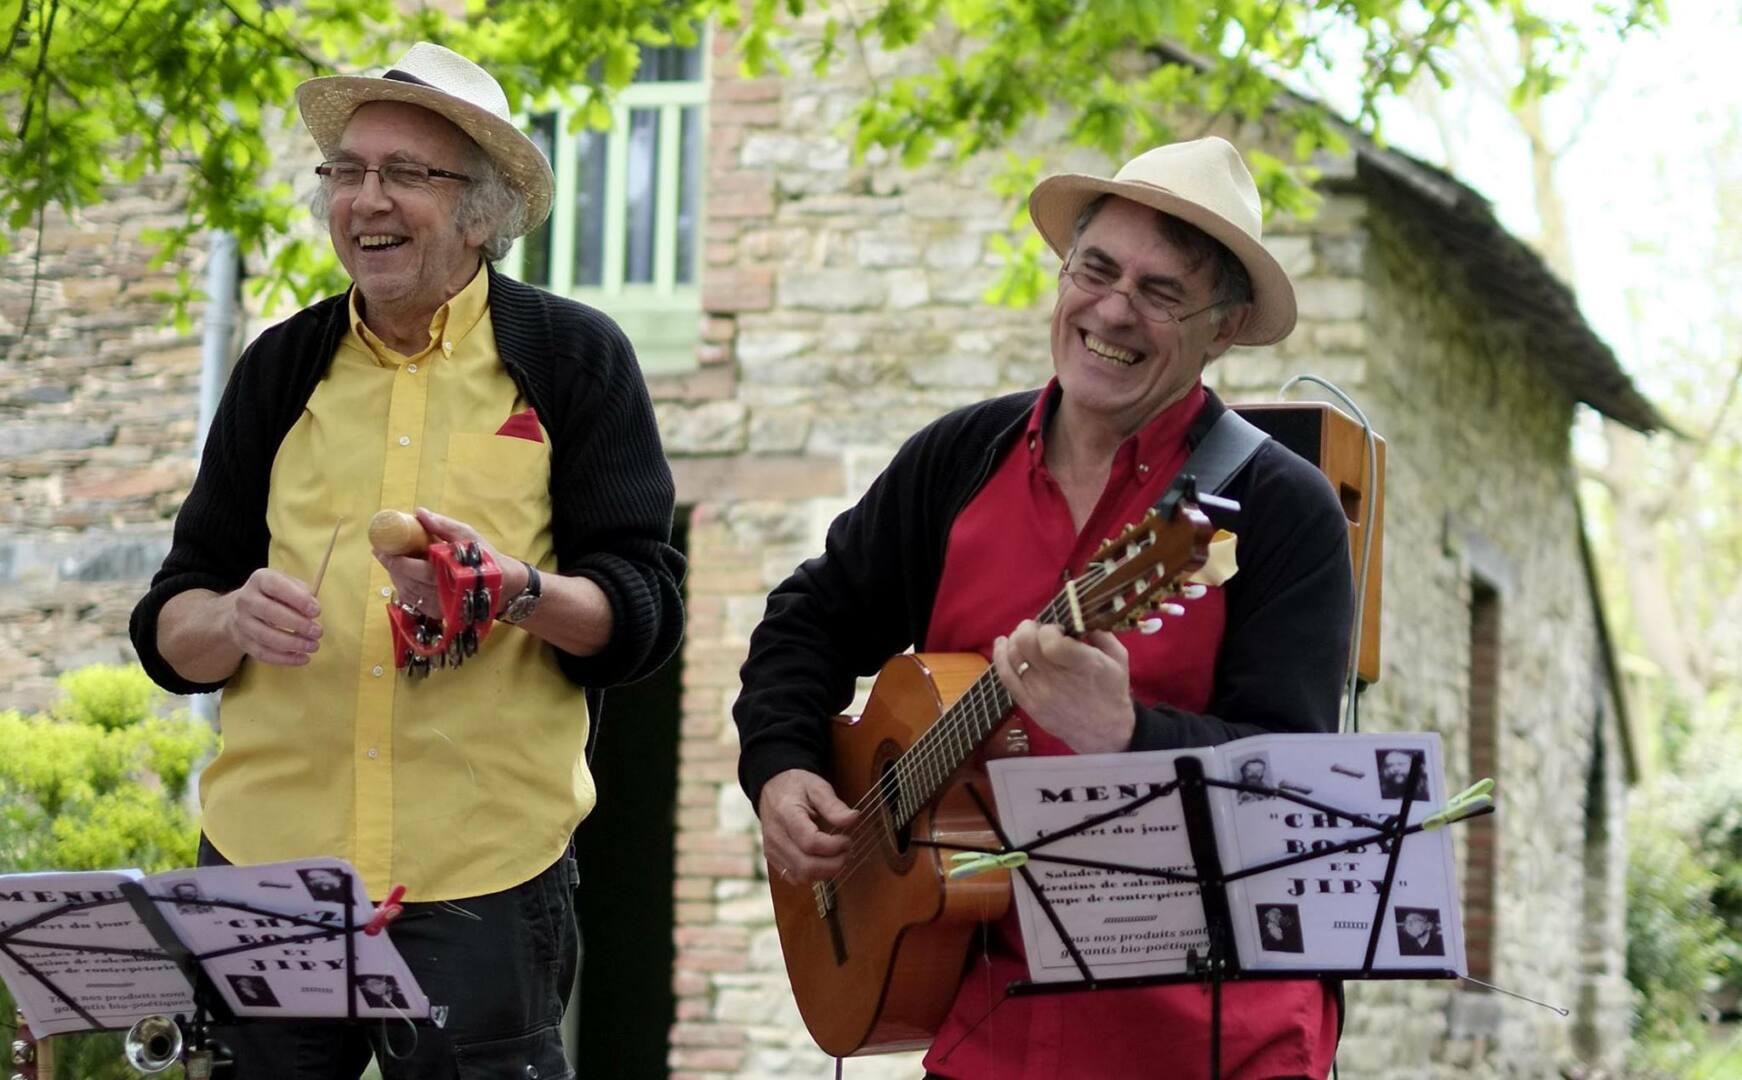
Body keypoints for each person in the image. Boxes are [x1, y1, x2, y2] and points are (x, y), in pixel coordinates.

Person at [734, 137, 1353, 1078]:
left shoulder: (1279, 508)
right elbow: (809, 617)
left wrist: (1129, 736)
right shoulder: (958, 458)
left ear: (1222, 331)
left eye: (1160, 291)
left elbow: (1302, 794)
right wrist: (780, 766)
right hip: (990, 1023)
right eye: (1096, 270)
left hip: (1210, 1036)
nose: (1113, 310)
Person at [129, 41, 683, 1080]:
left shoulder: (574, 358)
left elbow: (641, 610)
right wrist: (229, 620)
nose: (364, 200)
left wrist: (512, 591)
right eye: (345, 172)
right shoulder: (277, 368)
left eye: (403, 175)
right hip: (271, 866)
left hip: (483, 865)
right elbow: (170, 625)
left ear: (481, 209)